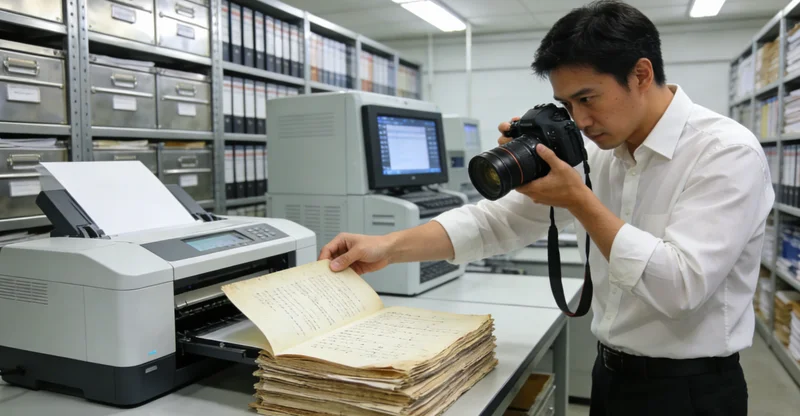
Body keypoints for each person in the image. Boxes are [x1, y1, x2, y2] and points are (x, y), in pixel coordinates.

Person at [318, 1, 773, 414]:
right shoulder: (597, 148)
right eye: (567, 104)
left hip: (691, 393)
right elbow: (498, 221)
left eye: (588, 98)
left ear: (640, 74)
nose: (580, 120)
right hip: (611, 377)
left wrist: (579, 198)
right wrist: (387, 246)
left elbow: (681, 287)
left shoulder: (725, 152)